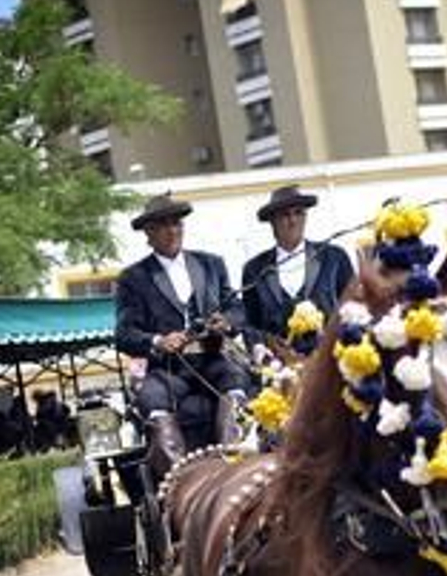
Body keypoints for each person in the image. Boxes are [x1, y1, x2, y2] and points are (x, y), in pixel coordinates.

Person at [114, 192, 249, 476]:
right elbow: (124, 334)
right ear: (148, 233)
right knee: (150, 398)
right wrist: (157, 341)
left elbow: (238, 310)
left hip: (214, 360)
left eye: (177, 223)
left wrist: (225, 323)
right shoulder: (133, 279)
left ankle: (235, 468)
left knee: (237, 379)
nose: (173, 230)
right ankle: (175, 482)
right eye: (163, 225)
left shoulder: (212, 264)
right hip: (168, 370)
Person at [240, 184, 354, 351]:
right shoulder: (255, 270)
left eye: (298, 213)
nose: (293, 221)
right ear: (272, 222)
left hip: (330, 356)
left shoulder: (334, 257)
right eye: (285, 215)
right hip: (279, 363)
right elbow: (250, 325)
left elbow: (353, 307)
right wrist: (268, 347)